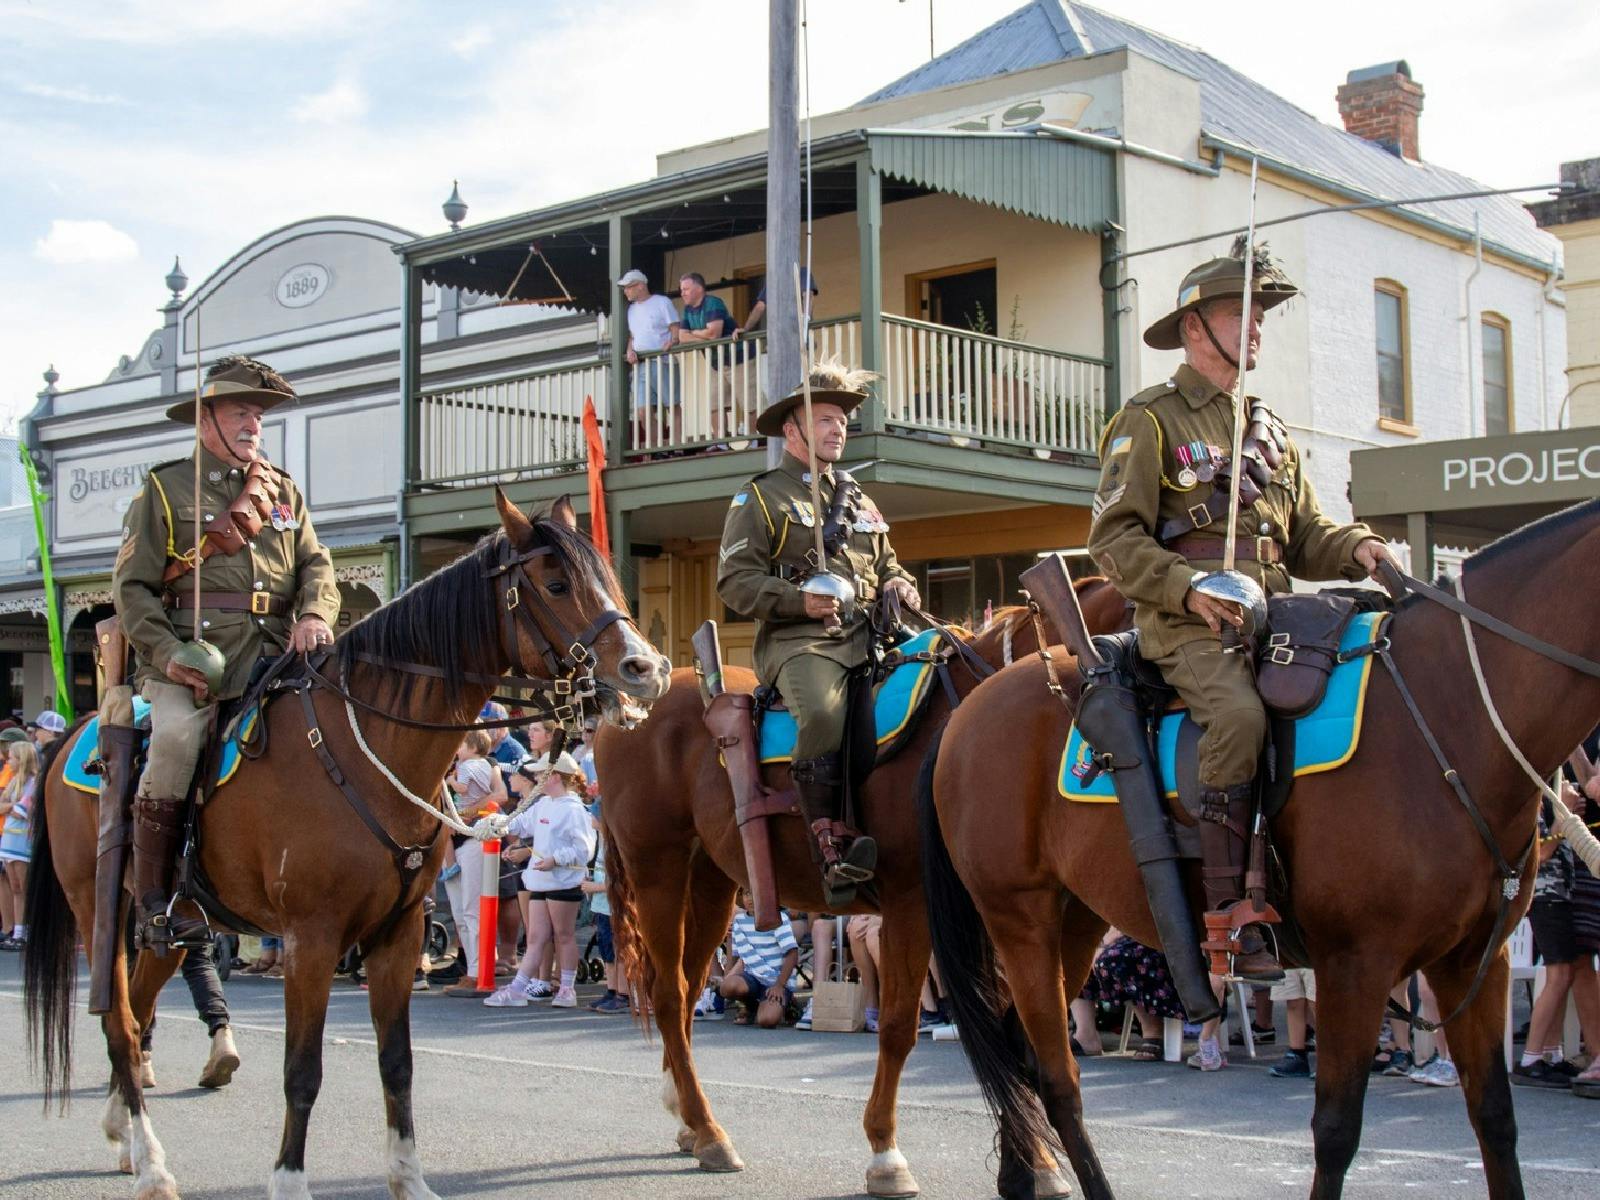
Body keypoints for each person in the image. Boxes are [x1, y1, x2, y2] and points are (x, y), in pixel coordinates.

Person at [1086, 243, 1395, 981]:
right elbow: (1112, 538)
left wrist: (1359, 548)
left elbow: (1306, 536)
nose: (1254, 327)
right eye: (1239, 314)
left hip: (1273, 615)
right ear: (1195, 328)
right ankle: (1230, 908)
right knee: (1238, 717)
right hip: (1185, 622)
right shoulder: (1151, 419)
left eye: (1260, 316)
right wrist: (1187, 588)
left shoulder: (1270, 432)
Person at [112, 354, 339, 950]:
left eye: (257, 415)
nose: (253, 425)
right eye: (240, 412)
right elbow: (132, 589)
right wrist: (168, 653)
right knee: (176, 740)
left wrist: (314, 614)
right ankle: (156, 898)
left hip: (277, 655)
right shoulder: (165, 489)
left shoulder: (282, 490)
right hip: (195, 663)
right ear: (205, 419)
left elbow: (317, 565)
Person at [715, 361, 920, 903]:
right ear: (793, 429)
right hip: (801, 641)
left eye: (843, 422)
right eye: (825, 420)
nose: (838, 430)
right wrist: (798, 601)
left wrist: (900, 583)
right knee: (825, 713)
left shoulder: (860, 500)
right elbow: (734, 582)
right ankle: (829, 843)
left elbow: (888, 563)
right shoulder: (760, 498)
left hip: (874, 635)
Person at [485, 751, 596, 1008]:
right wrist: (498, 823)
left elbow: (584, 849)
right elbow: (521, 824)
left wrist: (555, 859)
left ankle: (566, 989)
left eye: (540, 774)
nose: (536, 778)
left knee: (564, 935)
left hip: (562, 881)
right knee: (535, 937)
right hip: (540, 880)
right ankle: (518, 988)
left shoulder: (574, 809)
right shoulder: (544, 804)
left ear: (555, 777)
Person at [440, 731, 506, 993]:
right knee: (460, 912)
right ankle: (473, 968)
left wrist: (465, 812)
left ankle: (480, 970)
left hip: (472, 836)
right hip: (451, 840)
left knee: (472, 908)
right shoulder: (449, 763)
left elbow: (499, 795)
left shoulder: (483, 764)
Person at [619, 268, 681, 448]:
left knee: (672, 405)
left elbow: (675, 328)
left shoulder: (662, 302)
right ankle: (654, 447)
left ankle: (677, 445)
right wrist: (629, 350)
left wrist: (672, 341)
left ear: (640, 286)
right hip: (640, 365)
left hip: (662, 361)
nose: (625, 291)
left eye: (628, 287)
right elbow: (633, 336)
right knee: (642, 411)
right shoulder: (631, 310)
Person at [720, 893, 800, 1028]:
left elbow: (792, 953)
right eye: (746, 893)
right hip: (753, 977)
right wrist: (726, 979)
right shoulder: (739, 920)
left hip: (776, 980)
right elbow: (740, 958)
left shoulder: (778, 918)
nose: (750, 899)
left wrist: (779, 986)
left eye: (755, 893)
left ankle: (788, 1002)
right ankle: (751, 1007)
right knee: (727, 987)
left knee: (767, 1020)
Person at [677, 272, 741, 439]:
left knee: (749, 401)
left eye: (686, 289)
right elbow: (682, 337)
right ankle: (720, 442)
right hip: (715, 362)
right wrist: (702, 334)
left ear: (699, 289)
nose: (682, 293)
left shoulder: (712, 303)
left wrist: (694, 332)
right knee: (715, 404)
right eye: (681, 289)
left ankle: (755, 440)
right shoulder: (687, 309)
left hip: (738, 358)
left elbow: (714, 334)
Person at [0, 740, 39, 950]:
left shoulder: (34, 782)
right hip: (8, 841)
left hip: (23, 842)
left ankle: (28, 932)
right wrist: (11, 806)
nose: (9, 761)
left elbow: (22, 811)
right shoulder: (14, 781)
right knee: (15, 888)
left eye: (12, 758)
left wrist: (9, 807)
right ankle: (17, 932)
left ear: (22, 759)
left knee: (24, 888)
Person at [740, 267, 818, 334]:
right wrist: (745, 329)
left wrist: (806, 318)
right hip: (781, 334)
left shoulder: (802, 272)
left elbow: (808, 295)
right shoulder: (774, 280)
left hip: (798, 331)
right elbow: (759, 307)